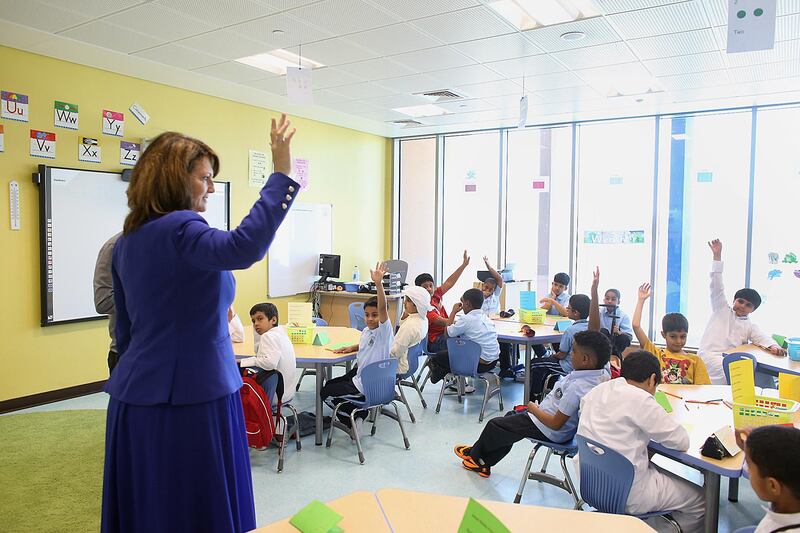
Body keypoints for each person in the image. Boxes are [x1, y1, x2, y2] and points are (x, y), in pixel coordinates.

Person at [102, 114, 299, 533]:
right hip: (194, 394)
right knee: (196, 505)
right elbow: (243, 247)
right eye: (205, 178)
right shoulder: (182, 229)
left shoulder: (127, 240)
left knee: (151, 505)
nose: (211, 187)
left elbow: (125, 330)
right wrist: (281, 173)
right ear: (176, 180)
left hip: (135, 394)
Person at [577, 350, 705, 533]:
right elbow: (681, 441)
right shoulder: (641, 399)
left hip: (593, 482)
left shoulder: (599, 390)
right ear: (652, 379)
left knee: (656, 471)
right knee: (700, 500)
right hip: (628, 492)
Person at [453, 330, 610, 477]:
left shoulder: (578, 388)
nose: (570, 354)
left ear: (585, 359)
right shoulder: (600, 374)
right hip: (548, 420)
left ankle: (478, 460)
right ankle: (479, 453)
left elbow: (555, 424)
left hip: (548, 429)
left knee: (495, 425)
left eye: (573, 351)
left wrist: (533, 409)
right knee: (509, 420)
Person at [698, 239, 784, 384]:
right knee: (740, 373)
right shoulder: (721, 309)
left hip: (732, 360)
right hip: (710, 358)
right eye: (740, 301)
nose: (743, 306)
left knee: (764, 376)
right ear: (734, 301)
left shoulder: (749, 325)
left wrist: (774, 346)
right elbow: (716, 284)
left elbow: (761, 337)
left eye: (748, 305)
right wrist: (717, 256)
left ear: (753, 310)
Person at [321, 263, 394, 430]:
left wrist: (378, 283)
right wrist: (352, 348)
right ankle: (357, 412)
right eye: (367, 315)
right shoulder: (367, 331)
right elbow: (366, 344)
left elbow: (382, 307)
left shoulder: (384, 331)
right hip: (361, 374)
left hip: (368, 384)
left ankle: (353, 420)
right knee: (330, 384)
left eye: (374, 315)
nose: (370, 319)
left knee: (325, 392)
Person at [631, 283, 710, 385]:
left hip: (684, 399)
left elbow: (703, 390)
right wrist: (641, 300)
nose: (678, 341)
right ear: (663, 334)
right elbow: (636, 325)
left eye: (683, 337)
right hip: (660, 399)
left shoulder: (695, 361)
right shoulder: (656, 353)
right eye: (673, 336)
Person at [426, 288, 500, 385]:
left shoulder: (466, 319)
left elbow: (447, 334)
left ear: (468, 304)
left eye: (463, 302)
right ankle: (443, 374)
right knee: (451, 353)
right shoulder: (486, 318)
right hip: (493, 362)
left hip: (476, 364)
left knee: (439, 356)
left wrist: (453, 312)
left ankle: (440, 374)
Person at [528, 294, 591, 402]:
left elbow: (562, 354)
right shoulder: (590, 326)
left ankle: (534, 397)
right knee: (545, 362)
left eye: (569, 308)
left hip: (568, 366)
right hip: (584, 366)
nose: (567, 309)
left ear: (576, 313)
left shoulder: (570, 330)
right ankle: (548, 387)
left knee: (535, 363)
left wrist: (552, 355)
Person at [736, 426, 800, 533]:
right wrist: (753, 450)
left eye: (749, 465)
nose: (748, 469)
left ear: (773, 486)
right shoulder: (788, 498)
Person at [238, 303, 296, 404]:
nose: (255, 323)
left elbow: (269, 363)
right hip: (287, 393)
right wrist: (258, 333)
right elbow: (258, 352)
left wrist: (243, 362)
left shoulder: (268, 336)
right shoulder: (281, 333)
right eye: (253, 321)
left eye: (260, 319)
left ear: (273, 320)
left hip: (273, 395)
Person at [415, 250, 470, 353]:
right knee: (466, 340)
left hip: (447, 332)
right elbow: (446, 322)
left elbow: (449, 282)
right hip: (436, 340)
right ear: (419, 289)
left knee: (467, 336)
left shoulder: (435, 295)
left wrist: (464, 265)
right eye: (425, 287)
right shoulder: (424, 308)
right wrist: (467, 323)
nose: (429, 289)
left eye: (430, 285)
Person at [94, 231, 122, 373]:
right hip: (127, 353)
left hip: (171, 352)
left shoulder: (173, 245)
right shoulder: (115, 246)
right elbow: (103, 302)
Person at [391, 285, 431, 375]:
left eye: (408, 300)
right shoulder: (423, 319)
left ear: (417, 304)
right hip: (412, 364)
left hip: (399, 367)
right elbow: (403, 324)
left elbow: (395, 352)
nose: (404, 303)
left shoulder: (409, 326)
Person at [598, 288, 633, 356]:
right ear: (604, 300)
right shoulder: (598, 312)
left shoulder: (623, 316)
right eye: (607, 298)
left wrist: (618, 332)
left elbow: (629, 337)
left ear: (618, 302)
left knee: (624, 338)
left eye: (613, 299)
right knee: (603, 331)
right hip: (601, 343)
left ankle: (613, 356)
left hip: (616, 342)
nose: (610, 301)